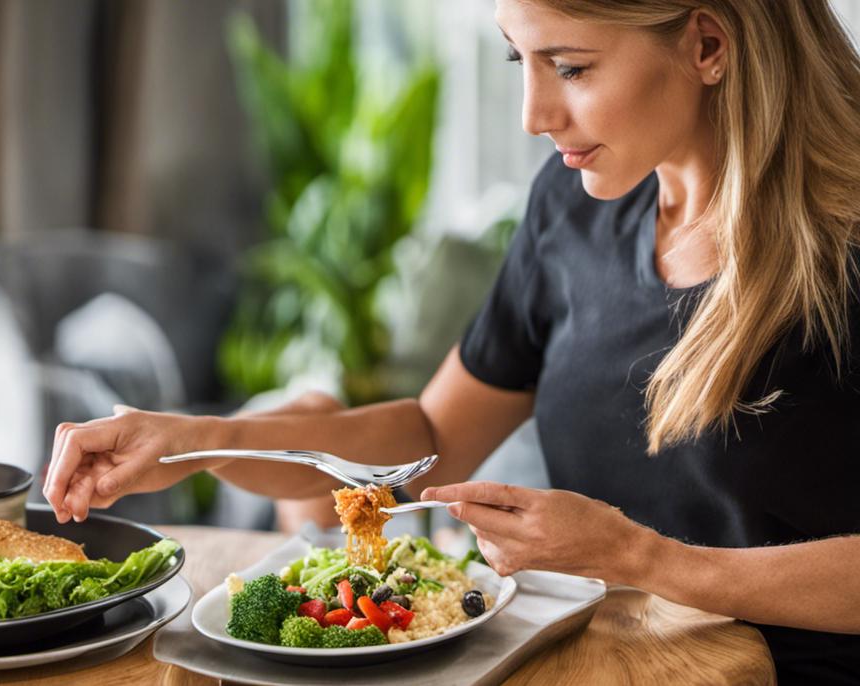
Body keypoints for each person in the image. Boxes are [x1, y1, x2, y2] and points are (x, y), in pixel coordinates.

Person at [42, 1, 860, 681]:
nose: (535, 116)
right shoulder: (572, 207)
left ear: (708, 45)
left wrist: (645, 559)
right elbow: (432, 437)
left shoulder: (846, 241)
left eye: (571, 67)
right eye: (520, 62)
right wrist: (198, 442)